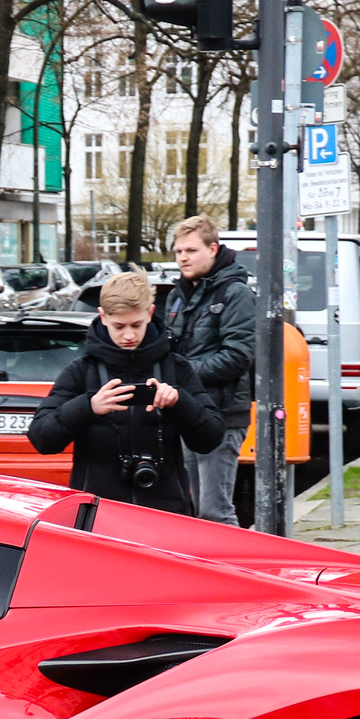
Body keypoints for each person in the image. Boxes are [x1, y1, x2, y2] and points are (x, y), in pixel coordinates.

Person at [27, 269, 225, 514]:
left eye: (137, 324)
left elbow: (211, 438)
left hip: (166, 514)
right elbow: (41, 438)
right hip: (99, 514)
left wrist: (179, 402)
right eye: (119, 326)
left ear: (150, 314)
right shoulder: (81, 371)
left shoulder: (175, 367)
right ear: (103, 317)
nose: (129, 335)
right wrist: (89, 407)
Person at [157, 216, 257, 525]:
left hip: (223, 413)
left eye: (191, 250)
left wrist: (182, 375)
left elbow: (238, 357)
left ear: (213, 249)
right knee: (195, 512)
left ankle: (232, 571)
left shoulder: (235, 293)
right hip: (187, 411)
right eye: (178, 252)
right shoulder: (178, 294)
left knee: (215, 510)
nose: (183, 258)